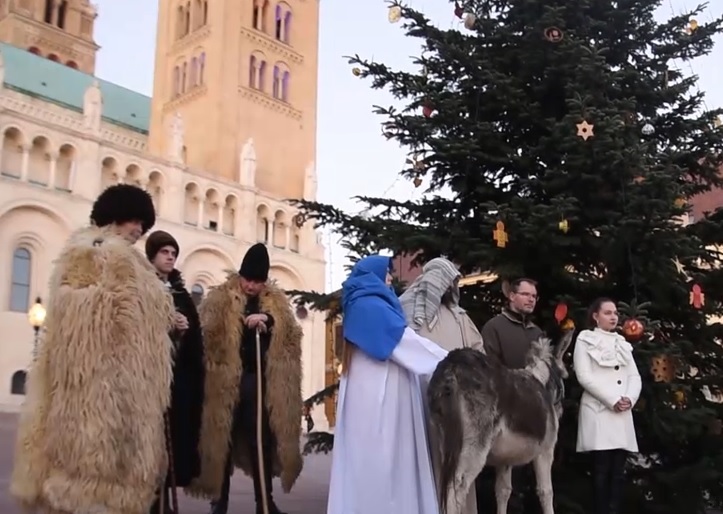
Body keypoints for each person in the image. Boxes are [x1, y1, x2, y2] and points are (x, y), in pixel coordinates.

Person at [10, 184, 177, 514]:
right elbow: (78, 311)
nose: (140, 230)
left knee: (112, 480)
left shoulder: (125, 259)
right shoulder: (94, 251)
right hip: (98, 394)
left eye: (143, 224)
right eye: (136, 222)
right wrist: (141, 308)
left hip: (122, 393)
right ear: (118, 217)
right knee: (91, 479)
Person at [327, 254, 449, 514]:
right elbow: (404, 343)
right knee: (385, 463)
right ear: (373, 275)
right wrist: (451, 360)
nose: (391, 278)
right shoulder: (369, 306)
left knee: (376, 462)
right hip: (379, 399)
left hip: (374, 393)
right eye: (387, 273)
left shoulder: (364, 304)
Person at [190, 243, 303, 514]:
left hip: (258, 381)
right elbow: (207, 334)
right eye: (248, 280)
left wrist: (268, 321)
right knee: (222, 441)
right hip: (226, 380)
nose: (251, 286)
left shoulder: (275, 303)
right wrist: (242, 322)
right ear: (240, 276)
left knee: (260, 441)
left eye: (258, 281)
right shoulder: (220, 299)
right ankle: (220, 501)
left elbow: (291, 335)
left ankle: (265, 501)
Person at [399, 257, 482, 514]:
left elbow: (479, 352)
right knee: (426, 461)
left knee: (458, 462)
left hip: (459, 402)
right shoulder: (406, 310)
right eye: (447, 280)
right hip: (421, 400)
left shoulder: (460, 317)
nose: (451, 287)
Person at [145, 230, 205, 514]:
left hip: (178, 382)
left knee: (174, 444)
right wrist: (166, 324)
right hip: (149, 380)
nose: (170, 258)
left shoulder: (180, 293)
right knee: (150, 446)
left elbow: (194, 342)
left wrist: (184, 331)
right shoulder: (143, 288)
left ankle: (166, 501)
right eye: (164, 252)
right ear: (153, 255)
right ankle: (153, 502)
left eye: (173, 253)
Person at [478, 277, 545, 514]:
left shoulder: (537, 332)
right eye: (526, 295)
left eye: (534, 296)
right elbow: (489, 367)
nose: (531, 300)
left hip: (534, 412)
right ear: (512, 296)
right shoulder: (494, 327)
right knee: (503, 480)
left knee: (529, 477)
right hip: (504, 412)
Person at [574, 298, 641, 514]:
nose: (613, 317)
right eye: (608, 313)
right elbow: (584, 376)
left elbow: (634, 376)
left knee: (618, 471)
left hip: (622, 413)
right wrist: (612, 400)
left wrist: (629, 399)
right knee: (601, 470)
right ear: (595, 316)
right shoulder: (586, 339)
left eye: (615, 313)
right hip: (599, 411)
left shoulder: (622, 342)